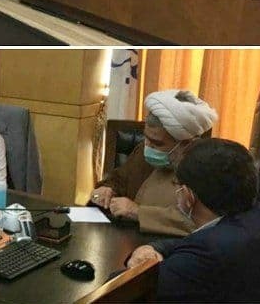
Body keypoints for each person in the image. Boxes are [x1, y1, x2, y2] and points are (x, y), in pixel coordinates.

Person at [125, 139, 260, 303]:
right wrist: (154, 247)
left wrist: (132, 263)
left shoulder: (208, 252)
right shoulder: (259, 215)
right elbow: (192, 243)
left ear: (188, 196)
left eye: (177, 185)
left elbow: (126, 293)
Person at [91, 89, 217, 236]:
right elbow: (119, 179)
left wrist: (138, 212)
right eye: (146, 138)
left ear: (187, 143)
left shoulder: (207, 169)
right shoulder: (143, 151)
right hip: (124, 237)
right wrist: (106, 189)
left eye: (157, 143)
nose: (148, 146)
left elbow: (201, 223)